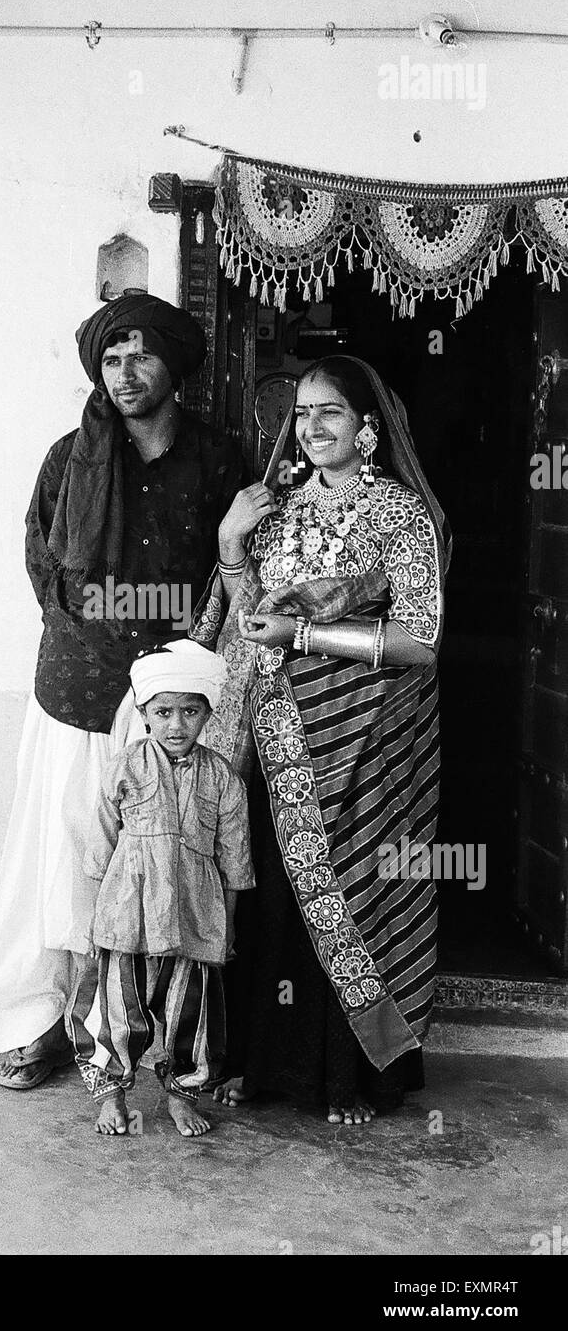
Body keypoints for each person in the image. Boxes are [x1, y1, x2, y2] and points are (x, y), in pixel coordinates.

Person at [0, 295, 245, 1089]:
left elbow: (231, 577)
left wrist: (172, 676)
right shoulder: (72, 459)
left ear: (174, 367)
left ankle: (120, 1039)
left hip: (173, 707)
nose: (125, 373)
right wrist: (117, 664)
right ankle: (34, 1022)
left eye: (141, 356)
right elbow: (47, 572)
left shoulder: (218, 457)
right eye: (111, 359)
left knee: (152, 866)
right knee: (60, 858)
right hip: (78, 694)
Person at [191, 354, 451, 1126]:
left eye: (330, 411)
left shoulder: (400, 515)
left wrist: (306, 631)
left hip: (365, 741)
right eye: (302, 414)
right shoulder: (274, 507)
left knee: (361, 894)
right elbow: (245, 622)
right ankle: (264, 1067)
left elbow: (422, 638)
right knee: (274, 899)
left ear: (370, 427)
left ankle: (354, 1077)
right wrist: (231, 544)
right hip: (277, 735)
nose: (312, 427)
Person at [66, 640, 254, 1137]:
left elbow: (235, 864)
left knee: (189, 1015)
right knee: (118, 1010)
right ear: (145, 713)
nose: (176, 724)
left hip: (195, 914)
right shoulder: (126, 764)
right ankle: (112, 1094)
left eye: (190, 711)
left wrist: (227, 930)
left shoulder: (222, 777)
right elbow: (100, 847)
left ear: (208, 713)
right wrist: (92, 921)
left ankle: (179, 1094)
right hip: (128, 912)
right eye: (164, 712)